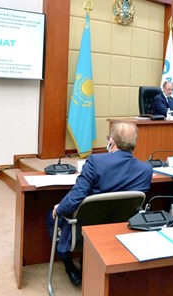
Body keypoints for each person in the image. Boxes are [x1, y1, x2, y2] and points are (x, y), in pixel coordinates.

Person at [47, 122, 152, 286]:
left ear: (111, 142)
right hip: (122, 229)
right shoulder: (146, 170)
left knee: (52, 215)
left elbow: (76, 197)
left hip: (85, 231)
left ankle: (69, 267)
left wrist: (59, 208)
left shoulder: (95, 161)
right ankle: (88, 262)